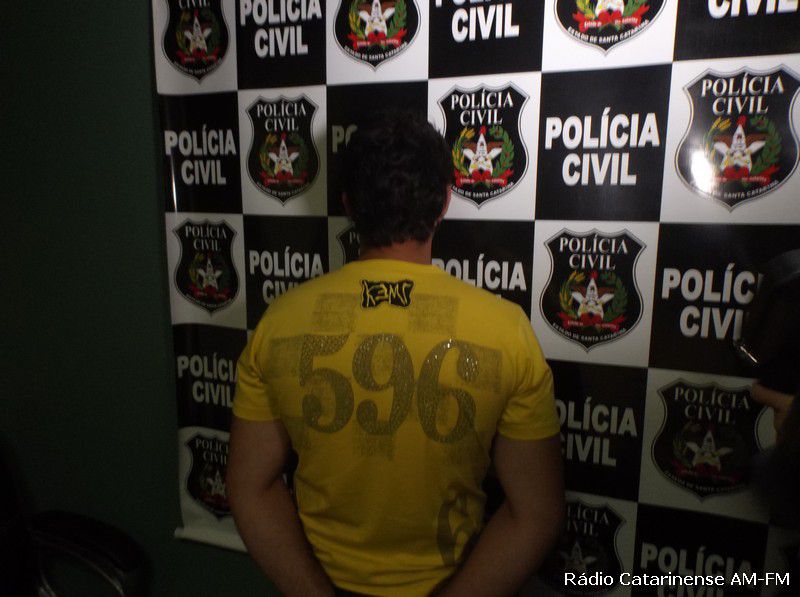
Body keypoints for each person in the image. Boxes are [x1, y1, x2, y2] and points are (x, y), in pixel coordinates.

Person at [226, 110, 564, 597]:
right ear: (444, 202)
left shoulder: (277, 324)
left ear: (348, 205)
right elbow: (536, 514)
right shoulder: (507, 333)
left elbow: (249, 486)